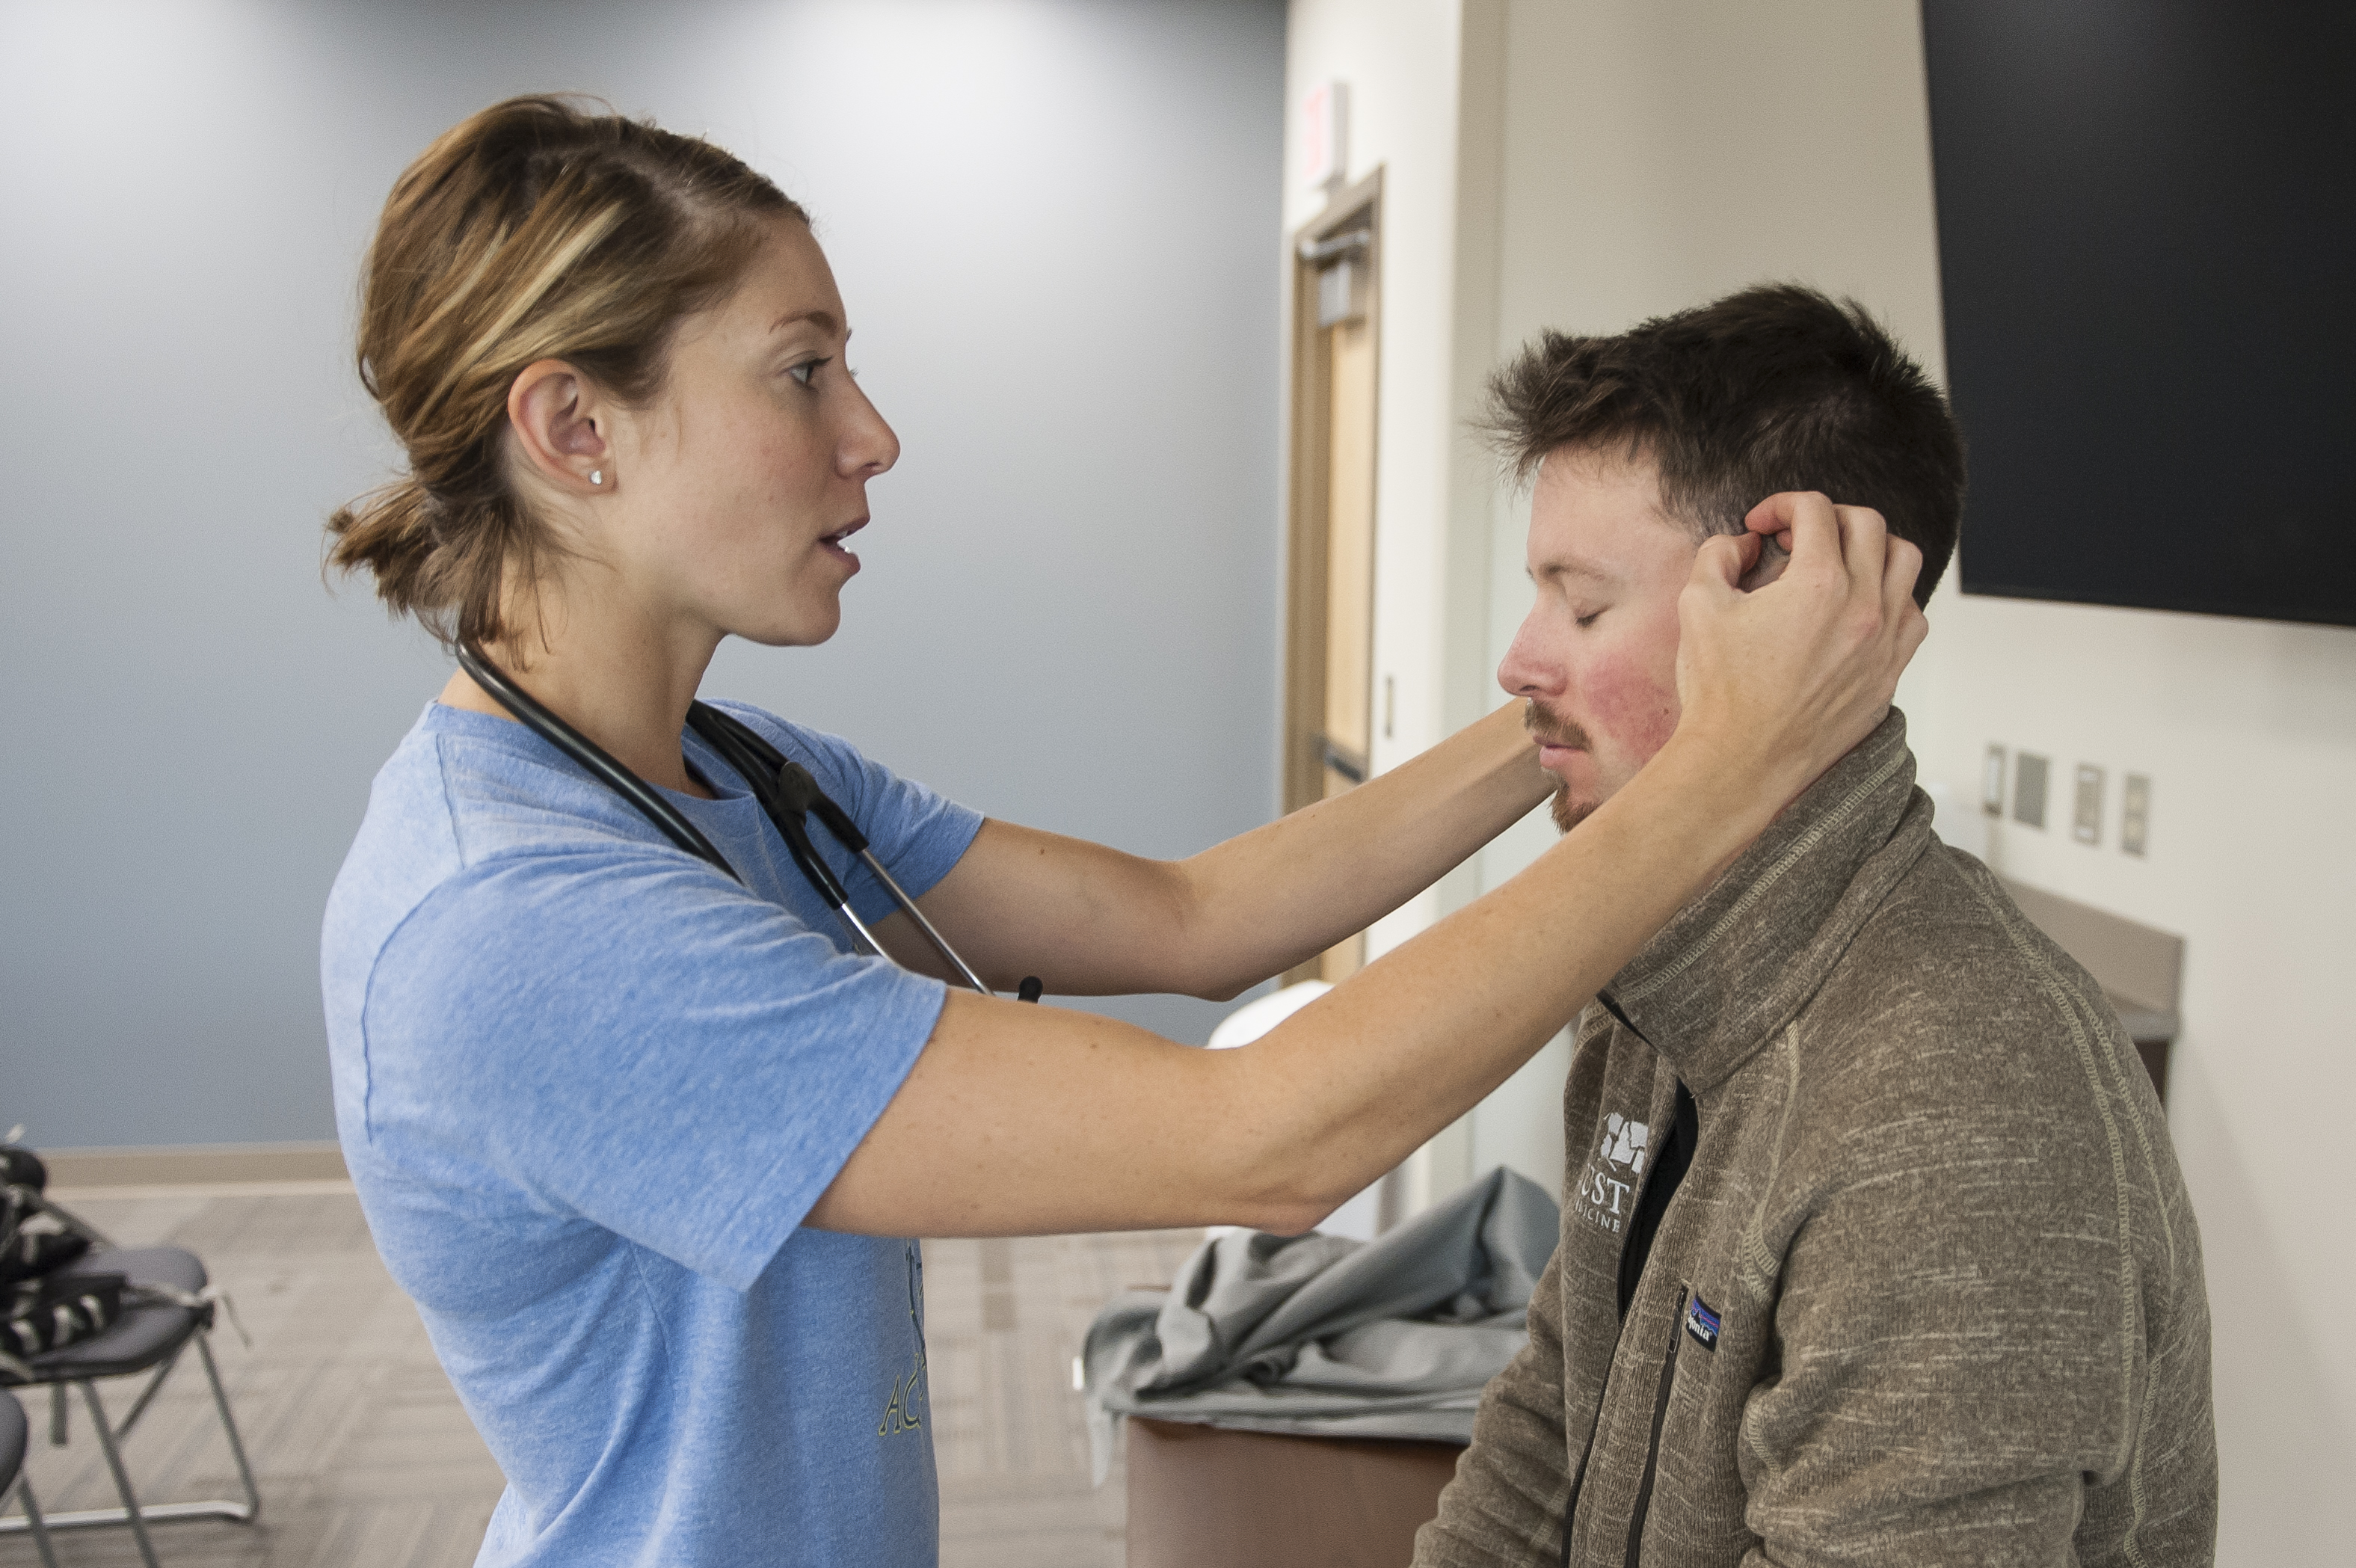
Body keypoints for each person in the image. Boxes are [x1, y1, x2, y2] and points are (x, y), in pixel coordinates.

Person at [319, 99, 1924, 1568]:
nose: (872, 431)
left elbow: (1189, 916)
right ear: (574, 427)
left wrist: (1583, 691)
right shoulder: (520, 923)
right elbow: (1261, 1138)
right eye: (803, 368)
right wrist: (1725, 762)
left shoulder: (732, 776)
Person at [1417, 285, 2216, 1567]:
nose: (1520, 659)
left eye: (1580, 603)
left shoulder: (1956, 1122)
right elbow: (1552, 1424)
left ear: (1781, 605)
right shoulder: (1658, 977)